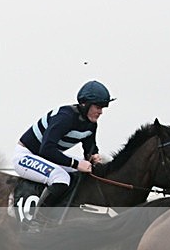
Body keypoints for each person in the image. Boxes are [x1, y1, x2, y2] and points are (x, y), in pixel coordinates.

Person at [14, 80, 114, 227]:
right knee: (60, 178)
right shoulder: (65, 118)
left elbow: (89, 149)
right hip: (27, 155)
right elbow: (46, 150)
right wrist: (76, 163)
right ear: (85, 104)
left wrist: (94, 156)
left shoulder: (91, 123)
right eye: (98, 107)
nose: (101, 112)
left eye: (103, 108)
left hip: (47, 156)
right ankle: (37, 220)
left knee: (87, 172)